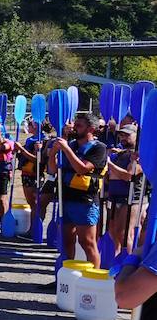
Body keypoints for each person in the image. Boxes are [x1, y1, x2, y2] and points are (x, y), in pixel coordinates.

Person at [49, 111, 107, 267]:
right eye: (75, 124)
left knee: (87, 242)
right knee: (66, 241)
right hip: (66, 198)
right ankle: (65, 278)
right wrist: (53, 152)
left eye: (79, 125)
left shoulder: (99, 149)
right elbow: (52, 170)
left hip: (85, 201)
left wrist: (66, 149)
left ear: (91, 129)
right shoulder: (72, 145)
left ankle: (93, 281)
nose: (75, 128)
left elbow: (82, 169)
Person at [106, 124, 143, 255]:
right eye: (121, 135)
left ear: (137, 136)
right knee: (113, 232)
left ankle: (129, 263)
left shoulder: (140, 155)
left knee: (124, 233)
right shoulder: (120, 153)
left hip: (132, 199)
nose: (123, 137)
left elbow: (128, 176)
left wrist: (109, 164)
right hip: (115, 197)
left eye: (127, 135)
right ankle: (116, 260)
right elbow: (111, 175)